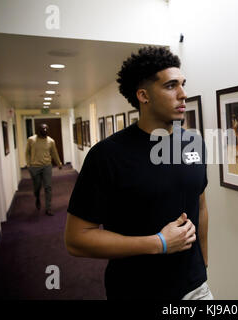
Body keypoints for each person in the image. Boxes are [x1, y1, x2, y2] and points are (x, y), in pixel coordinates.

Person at [64, 46, 212, 300]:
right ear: (144, 95)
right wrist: (159, 243)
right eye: (170, 86)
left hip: (195, 288)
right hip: (136, 290)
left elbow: (201, 205)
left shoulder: (193, 143)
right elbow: (76, 239)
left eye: (183, 84)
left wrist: (204, 264)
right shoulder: (107, 155)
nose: (183, 94)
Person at [25, 123, 62, 216]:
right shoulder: (31, 140)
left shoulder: (51, 141)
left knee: (48, 187)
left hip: (47, 166)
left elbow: (54, 153)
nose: (45, 131)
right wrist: (29, 164)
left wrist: (59, 163)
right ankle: (37, 197)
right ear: (39, 130)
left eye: (46, 130)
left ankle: (48, 208)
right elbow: (27, 153)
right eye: (43, 130)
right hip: (34, 167)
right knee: (37, 187)